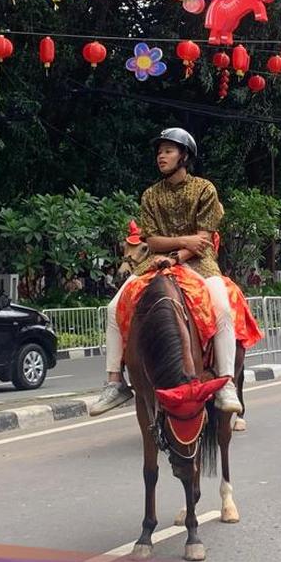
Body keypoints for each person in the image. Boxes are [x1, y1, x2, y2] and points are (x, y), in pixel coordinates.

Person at [89, 128, 243, 416]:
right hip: (156, 261)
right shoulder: (150, 195)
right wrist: (183, 242)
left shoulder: (205, 189)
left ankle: (226, 383)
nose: (161, 156)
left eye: (168, 151)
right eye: (159, 151)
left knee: (222, 308)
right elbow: (151, 241)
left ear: (184, 156)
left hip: (199, 262)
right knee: (113, 308)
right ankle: (115, 382)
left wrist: (178, 255)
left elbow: (203, 240)